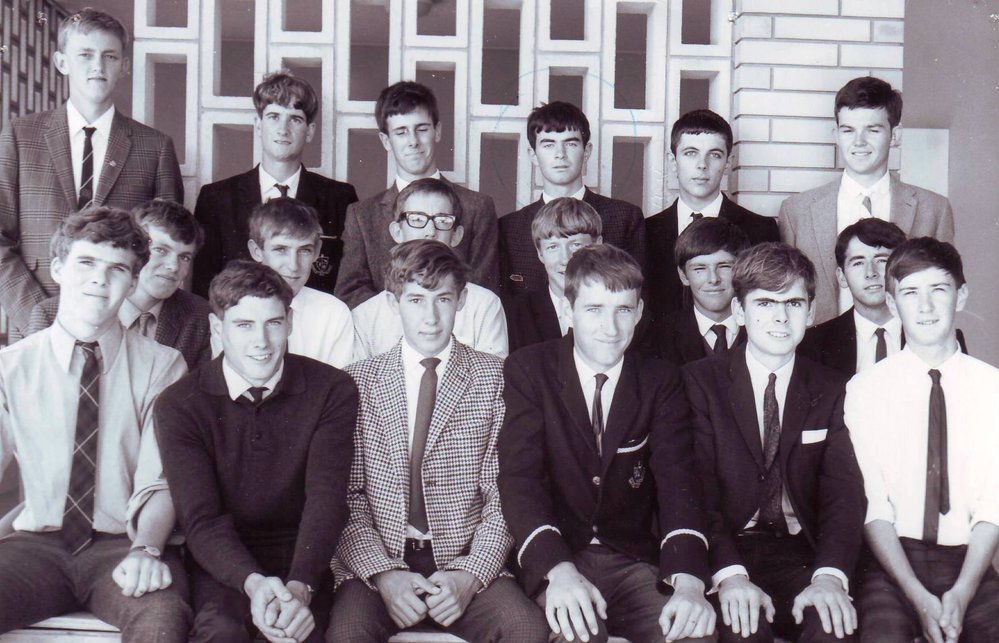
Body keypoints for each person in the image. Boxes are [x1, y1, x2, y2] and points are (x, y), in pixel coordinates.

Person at [329, 240, 547, 642]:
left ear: (462, 301)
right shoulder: (356, 382)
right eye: (415, 300)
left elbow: (506, 492)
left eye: (443, 299)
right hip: (380, 562)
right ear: (393, 304)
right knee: (346, 633)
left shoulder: (496, 377)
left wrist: (471, 573)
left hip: (465, 558)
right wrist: (383, 573)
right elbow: (346, 495)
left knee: (526, 629)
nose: (430, 317)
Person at [499, 244, 715, 643]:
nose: (610, 328)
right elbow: (519, 479)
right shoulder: (529, 369)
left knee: (691, 635)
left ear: (640, 312)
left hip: (632, 559)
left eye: (623, 310)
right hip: (559, 554)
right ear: (568, 312)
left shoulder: (660, 380)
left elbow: (677, 481)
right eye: (594, 309)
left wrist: (688, 582)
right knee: (580, 635)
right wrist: (558, 572)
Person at [0, 207, 190, 641]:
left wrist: (146, 549)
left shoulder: (163, 366)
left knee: (162, 620)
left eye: (118, 269)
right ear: (58, 268)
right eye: (86, 263)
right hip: (35, 545)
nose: (100, 281)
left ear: (133, 279)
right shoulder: (11, 368)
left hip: (122, 545)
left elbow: (160, 481)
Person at [155, 260, 357, 642]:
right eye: (244, 325)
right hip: (222, 560)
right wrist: (253, 584)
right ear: (218, 328)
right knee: (221, 632)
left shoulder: (331, 389)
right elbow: (202, 519)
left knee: (302, 634)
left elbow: (326, 501)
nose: (261, 342)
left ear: (290, 323)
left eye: (273, 323)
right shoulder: (180, 404)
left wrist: (300, 587)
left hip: (304, 556)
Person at [682, 243, 866, 643]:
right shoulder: (700, 382)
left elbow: (843, 495)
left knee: (834, 630)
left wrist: (830, 577)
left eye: (794, 303)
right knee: (743, 632)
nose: (781, 317)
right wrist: (729, 576)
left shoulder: (832, 387)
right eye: (765, 303)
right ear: (739, 312)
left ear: (811, 312)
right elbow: (697, 495)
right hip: (728, 552)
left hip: (805, 555)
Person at [847, 238, 999, 643]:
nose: (926, 307)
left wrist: (963, 592)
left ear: (961, 295)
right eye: (911, 294)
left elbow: (992, 505)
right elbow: (873, 505)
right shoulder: (865, 390)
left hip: (970, 560)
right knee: (882, 634)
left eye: (939, 290)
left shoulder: (992, 388)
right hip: (893, 561)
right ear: (894, 305)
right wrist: (917, 595)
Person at [0, 8, 183, 340]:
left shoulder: (154, 147)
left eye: (110, 56)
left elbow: (166, 247)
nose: (98, 66)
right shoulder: (20, 136)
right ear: (61, 62)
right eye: (85, 54)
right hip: (33, 324)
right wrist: (37, 314)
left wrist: (122, 312)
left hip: (122, 325)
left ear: (124, 66)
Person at [779, 76, 955, 324]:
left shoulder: (934, 209)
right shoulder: (796, 211)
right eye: (848, 130)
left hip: (902, 349)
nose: (858, 142)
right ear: (836, 134)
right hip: (820, 353)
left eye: (872, 130)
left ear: (895, 136)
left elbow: (943, 294)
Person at [192, 71, 358, 297]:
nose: (283, 129)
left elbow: (345, 282)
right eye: (274, 117)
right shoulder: (217, 198)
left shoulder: (340, 197)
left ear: (309, 131)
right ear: (259, 125)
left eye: (295, 119)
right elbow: (204, 286)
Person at [336, 81, 498, 308]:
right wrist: (408, 319)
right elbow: (350, 291)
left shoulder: (477, 207)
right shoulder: (362, 215)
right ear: (385, 140)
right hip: (386, 336)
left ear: (437, 131)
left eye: (421, 129)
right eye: (401, 132)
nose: (413, 141)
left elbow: (483, 288)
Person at [26, 199, 212, 370]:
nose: (173, 266)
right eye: (160, 250)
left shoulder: (200, 316)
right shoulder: (49, 313)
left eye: (185, 257)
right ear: (134, 248)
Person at [498, 101, 644, 296]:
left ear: (587, 151)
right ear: (533, 155)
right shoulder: (509, 228)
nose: (560, 154)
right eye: (548, 144)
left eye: (571, 143)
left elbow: (638, 296)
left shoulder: (625, 218)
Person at [351, 179, 508, 360]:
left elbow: (492, 378)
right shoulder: (366, 315)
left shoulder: (484, 305)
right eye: (417, 219)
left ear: (456, 235)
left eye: (442, 220)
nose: (430, 231)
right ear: (397, 232)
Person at [645, 109, 777, 322]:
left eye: (714, 155)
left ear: (727, 163)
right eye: (690, 153)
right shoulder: (646, 231)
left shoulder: (761, 229)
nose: (702, 165)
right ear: (672, 161)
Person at [243, 197, 354, 368]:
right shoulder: (235, 308)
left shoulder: (333, 313)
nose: (293, 265)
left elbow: (338, 386)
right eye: (281, 250)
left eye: (304, 250)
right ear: (257, 251)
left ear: (317, 251)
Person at [641, 217, 749, 365]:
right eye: (700, 268)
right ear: (683, 276)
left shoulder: (765, 329)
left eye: (724, 266)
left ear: (742, 270)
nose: (713, 279)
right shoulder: (657, 337)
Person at [505, 197, 603, 353]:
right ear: (540, 253)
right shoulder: (516, 314)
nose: (565, 259)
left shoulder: (620, 308)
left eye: (576, 244)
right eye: (552, 247)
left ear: (598, 246)